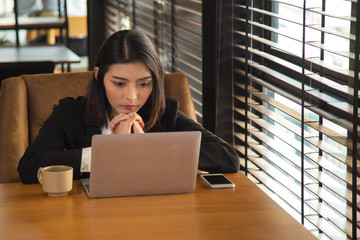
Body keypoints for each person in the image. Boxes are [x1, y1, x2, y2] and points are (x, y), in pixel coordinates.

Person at [17, 29, 240, 184]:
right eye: (119, 83)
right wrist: (107, 154)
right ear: (99, 76)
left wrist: (149, 149)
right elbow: (28, 167)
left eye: (144, 84)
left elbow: (228, 158)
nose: (132, 97)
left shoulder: (165, 113)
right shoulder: (70, 113)